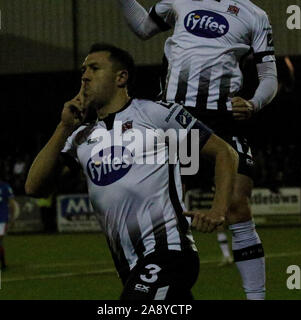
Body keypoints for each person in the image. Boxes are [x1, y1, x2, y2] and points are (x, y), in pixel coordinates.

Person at [25, 43, 238, 300]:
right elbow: (34, 188)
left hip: (169, 253)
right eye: (83, 70)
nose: (85, 76)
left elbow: (225, 153)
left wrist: (218, 209)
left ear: (121, 77)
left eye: (94, 68)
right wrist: (63, 127)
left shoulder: (155, 114)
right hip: (130, 266)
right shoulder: (80, 137)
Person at [117, 0, 279, 299]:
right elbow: (143, 28)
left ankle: (256, 298)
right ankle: (159, 292)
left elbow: (269, 76)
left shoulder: (255, 15)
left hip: (223, 118)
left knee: (237, 205)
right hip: (176, 116)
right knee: (154, 212)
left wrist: (254, 103)